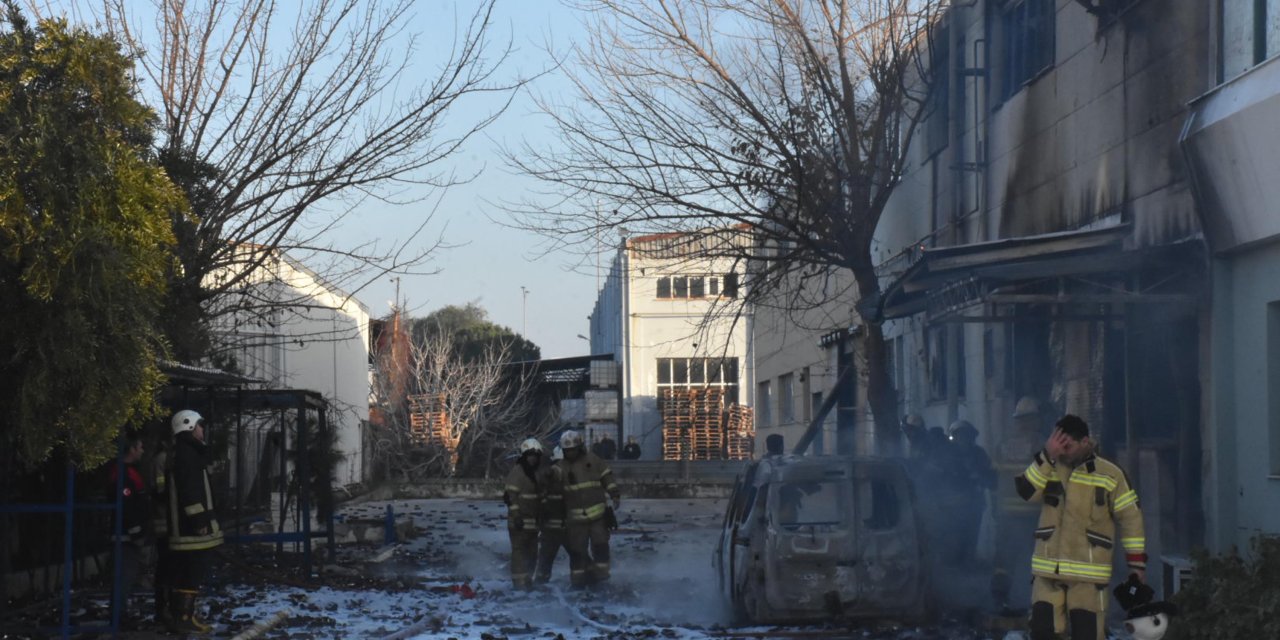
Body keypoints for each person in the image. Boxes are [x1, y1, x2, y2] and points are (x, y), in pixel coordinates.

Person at [1015, 414, 1146, 640]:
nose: (1062, 451)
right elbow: (1026, 492)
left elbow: (1131, 520)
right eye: (1058, 445)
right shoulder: (1049, 465)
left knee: (1087, 635)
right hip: (1048, 573)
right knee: (1043, 633)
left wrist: (1136, 566)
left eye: (1068, 445)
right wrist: (1047, 455)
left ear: (1085, 442)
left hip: (1088, 578)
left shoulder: (1110, 474)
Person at [164, 410, 224, 633]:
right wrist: (199, 520)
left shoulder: (185, 452)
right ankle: (183, 617)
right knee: (191, 574)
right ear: (188, 426)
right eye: (199, 425)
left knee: (187, 573)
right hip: (190, 530)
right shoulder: (187, 454)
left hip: (186, 528)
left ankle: (182, 617)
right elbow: (190, 491)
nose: (202, 429)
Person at [559, 430, 620, 588]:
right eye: (567, 451)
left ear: (579, 447)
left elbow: (607, 477)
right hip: (575, 521)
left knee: (600, 546)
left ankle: (602, 578)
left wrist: (614, 494)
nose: (570, 453)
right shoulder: (560, 467)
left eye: (573, 449)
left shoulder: (593, 460)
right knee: (577, 552)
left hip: (598, 517)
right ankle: (577, 581)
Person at [105, 432, 149, 627]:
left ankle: (120, 614)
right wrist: (136, 532)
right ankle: (118, 616)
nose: (142, 450)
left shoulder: (128, 472)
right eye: (140, 447)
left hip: (127, 535)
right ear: (131, 449)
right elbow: (128, 507)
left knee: (126, 577)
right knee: (124, 576)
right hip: (125, 536)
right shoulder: (123, 474)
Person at [947, 420, 996, 566]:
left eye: (966, 436)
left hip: (973, 503)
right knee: (954, 534)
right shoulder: (947, 454)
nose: (963, 439)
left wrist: (979, 477)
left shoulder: (979, 454)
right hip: (952, 505)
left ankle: (968, 562)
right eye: (960, 436)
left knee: (971, 533)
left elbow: (989, 475)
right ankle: (954, 563)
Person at [503, 438, 545, 589]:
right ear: (524, 456)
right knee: (519, 553)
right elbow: (510, 496)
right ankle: (519, 583)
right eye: (530, 455)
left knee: (532, 553)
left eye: (536, 456)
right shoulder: (518, 472)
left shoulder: (536, 474)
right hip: (519, 523)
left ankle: (528, 581)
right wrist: (516, 516)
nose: (533, 458)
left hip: (532, 523)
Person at [535, 445, 568, 584]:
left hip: (553, 527)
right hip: (565, 526)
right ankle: (588, 578)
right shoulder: (568, 474)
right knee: (578, 554)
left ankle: (541, 581)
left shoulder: (545, 476)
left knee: (546, 557)